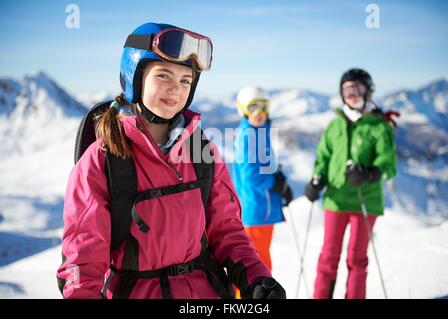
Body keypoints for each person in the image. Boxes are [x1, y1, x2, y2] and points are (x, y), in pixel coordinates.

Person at [56, 22, 286, 299]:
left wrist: (255, 277)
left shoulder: (204, 153)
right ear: (135, 77)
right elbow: (83, 258)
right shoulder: (103, 161)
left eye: (185, 81)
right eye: (163, 76)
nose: (175, 89)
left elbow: (228, 231)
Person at [304, 68, 397, 299]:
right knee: (328, 256)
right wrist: (317, 179)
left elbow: (388, 162)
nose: (352, 94)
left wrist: (370, 173)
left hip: (364, 199)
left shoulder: (379, 125)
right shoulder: (335, 126)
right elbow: (323, 158)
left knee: (356, 258)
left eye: (358, 89)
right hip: (335, 199)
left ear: (368, 90)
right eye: (347, 90)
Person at [232, 86, 293, 273]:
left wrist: (278, 178)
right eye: (252, 108)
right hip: (257, 209)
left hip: (261, 208)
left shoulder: (258, 132)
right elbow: (251, 176)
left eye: (263, 106)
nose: (259, 113)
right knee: (257, 266)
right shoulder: (249, 136)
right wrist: (276, 184)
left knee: (257, 262)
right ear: (242, 109)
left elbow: (264, 165)